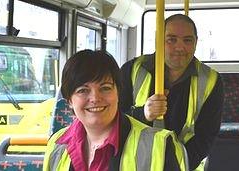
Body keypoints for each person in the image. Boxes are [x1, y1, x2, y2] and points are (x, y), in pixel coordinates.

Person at [43, 50, 188, 171]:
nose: (95, 98)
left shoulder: (161, 145)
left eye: (105, 88)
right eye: (83, 90)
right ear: (69, 100)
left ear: (118, 93)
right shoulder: (56, 145)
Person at [120, 14, 224, 170]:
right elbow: (115, 120)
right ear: (158, 40)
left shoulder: (212, 81)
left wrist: (174, 165)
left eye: (187, 40)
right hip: (134, 163)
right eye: (171, 39)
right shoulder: (132, 70)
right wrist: (143, 114)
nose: (180, 48)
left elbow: (205, 137)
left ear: (195, 42)